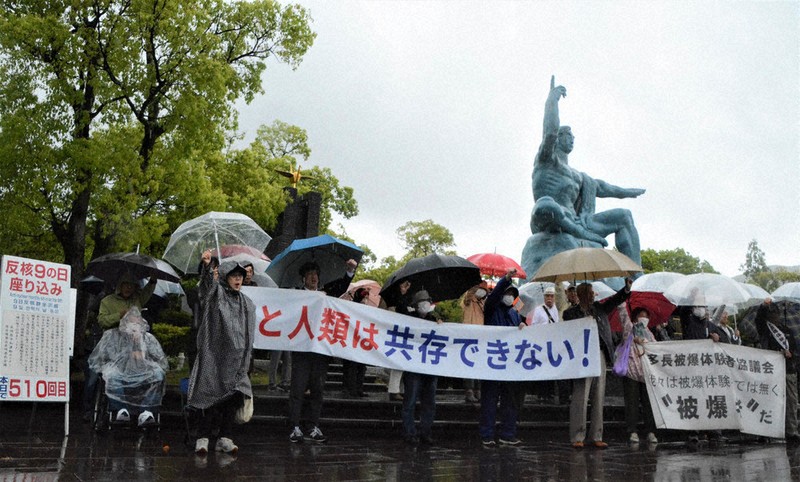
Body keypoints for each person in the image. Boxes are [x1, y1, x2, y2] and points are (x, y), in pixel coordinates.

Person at [531, 75, 645, 266]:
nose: (572, 139)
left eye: (573, 136)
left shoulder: (578, 175)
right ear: (559, 138)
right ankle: (580, 234)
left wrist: (628, 192)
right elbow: (549, 132)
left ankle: (635, 274)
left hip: (578, 221)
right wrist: (552, 101)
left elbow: (603, 187)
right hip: (549, 220)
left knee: (624, 216)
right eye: (568, 135)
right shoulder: (546, 159)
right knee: (546, 205)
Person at [188, 249, 255, 455]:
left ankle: (225, 437)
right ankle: (203, 437)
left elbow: (248, 332)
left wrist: (246, 359)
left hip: (236, 361)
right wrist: (208, 267)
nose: (238, 280)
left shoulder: (247, 303)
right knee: (210, 399)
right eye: (234, 276)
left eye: (240, 276)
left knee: (231, 402)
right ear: (226, 277)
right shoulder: (215, 294)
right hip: (214, 357)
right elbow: (206, 287)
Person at [288, 258, 358, 444]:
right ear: (303, 278)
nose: (313, 278)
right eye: (310, 275)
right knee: (298, 388)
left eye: (316, 275)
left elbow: (342, 285)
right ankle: (294, 426)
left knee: (318, 390)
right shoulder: (295, 294)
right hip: (301, 350)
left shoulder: (325, 294)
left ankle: (312, 426)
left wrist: (349, 271)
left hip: (320, 351)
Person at [563, 278, 632, 448]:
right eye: (589, 293)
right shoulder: (570, 314)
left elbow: (615, 300)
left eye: (593, 293)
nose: (593, 296)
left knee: (599, 395)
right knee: (581, 395)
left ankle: (596, 435)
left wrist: (626, 289)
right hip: (582, 357)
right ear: (582, 295)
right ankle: (577, 436)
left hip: (599, 353)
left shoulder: (600, 309)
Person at [88, 307, 168, 427]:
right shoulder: (112, 336)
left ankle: (146, 411)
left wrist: (139, 347)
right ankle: (121, 409)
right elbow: (106, 357)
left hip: (144, 372)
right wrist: (129, 351)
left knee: (158, 374)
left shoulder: (148, 338)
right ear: (124, 323)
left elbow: (160, 359)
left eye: (137, 322)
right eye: (131, 322)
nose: (134, 326)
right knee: (111, 375)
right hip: (120, 371)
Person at [479, 270, 526, 447]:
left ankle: (508, 433)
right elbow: (495, 295)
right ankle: (487, 434)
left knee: (510, 400)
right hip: (492, 361)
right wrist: (505, 280)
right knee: (489, 399)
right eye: (506, 293)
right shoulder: (491, 308)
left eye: (511, 294)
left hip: (510, 364)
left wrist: (522, 325)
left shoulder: (514, 314)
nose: (508, 296)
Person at [755, 297, 800, 444]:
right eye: (772, 313)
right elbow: (759, 319)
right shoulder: (765, 329)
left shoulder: (786, 330)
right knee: (770, 400)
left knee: (791, 402)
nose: (775, 316)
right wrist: (763, 306)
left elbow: (794, 348)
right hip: (771, 371)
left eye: (776, 313)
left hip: (788, 370)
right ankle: (766, 431)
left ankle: (792, 431)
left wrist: (790, 353)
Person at [401, 289, 442, 445]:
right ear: (416, 305)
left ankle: (425, 432)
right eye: (422, 302)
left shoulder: (435, 321)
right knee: (410, 402)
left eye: (427, 301)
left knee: (429, 403)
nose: (425, 304)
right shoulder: (408, 320)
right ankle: (409, 433)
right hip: (413, 369)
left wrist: (441, 326)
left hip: (430, 369)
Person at [618, 306, 658, 445]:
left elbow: (657, 350)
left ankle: (650, 431)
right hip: (632, 372)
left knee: (649, 404)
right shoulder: (630, 329)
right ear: (635, 317)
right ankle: (632, 431)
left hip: (646, 374)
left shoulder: (649, 334)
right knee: (632, 403)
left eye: (646, 316)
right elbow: (623, 315)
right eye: (641, 315)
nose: (644, 319)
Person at [383, 279, 413, 402]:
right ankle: (394, 390)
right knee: (397, 363)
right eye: (403, 284)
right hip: (396, 334)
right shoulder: (393, 297)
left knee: (401, 364)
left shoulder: (406, 297)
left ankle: (398, 390)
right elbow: (397, 310)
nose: (405, 286)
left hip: (404, 334)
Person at [461, 281, 488, 403]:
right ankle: (469, 391)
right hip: (469, 336)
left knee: (478, 364)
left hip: (480, 337)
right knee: (469, 364)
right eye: (480, 288)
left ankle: (478, 390)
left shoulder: (482, 303)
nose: (481, 291)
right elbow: (468, 295)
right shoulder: (468, 300)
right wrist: (475, 285)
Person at [341, 287, 370, 398]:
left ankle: (358, 388)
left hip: (362, 342)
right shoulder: (351, 307)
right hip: (350, 341)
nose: (365, 299)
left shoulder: (368, 310)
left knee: (361, 367)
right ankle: (348, 388)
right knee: (350, 367)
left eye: (367, 297)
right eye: (364, 296)